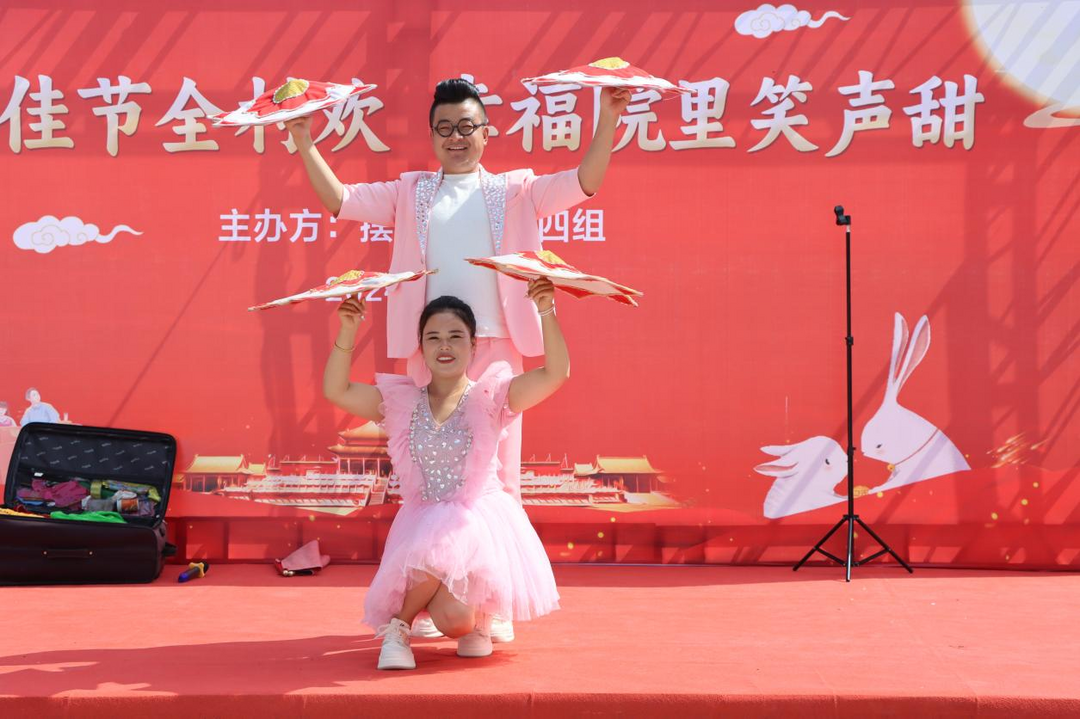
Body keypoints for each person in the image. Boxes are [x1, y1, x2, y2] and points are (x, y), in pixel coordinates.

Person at [287, 78, 627, 640]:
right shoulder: (410, 191)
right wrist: (304, 139)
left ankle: (492, 608)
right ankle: (431, 595)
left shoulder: (516, 189)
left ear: (486, 132)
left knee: (495, 483)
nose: (456, 137)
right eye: (445, 128)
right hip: (431, 348)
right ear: (432, 135)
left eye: (466, 127)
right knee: (428, 485)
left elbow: (585, 182)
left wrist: (608, 117)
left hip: (496, 347)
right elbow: (339, 200)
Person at [322, 278, 565, 670]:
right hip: (421, 521)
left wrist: (546, 311)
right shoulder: (402, 402)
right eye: (434, 337)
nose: (445, 345)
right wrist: (348, 330)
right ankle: (398, 629)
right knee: (445, 585)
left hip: (477, 521)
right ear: (421, 348)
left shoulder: (492, 398)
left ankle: (474, 617)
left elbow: (555, 375)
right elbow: (337, 391)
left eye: (456, 336)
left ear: (473, 345)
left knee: (454, 622)